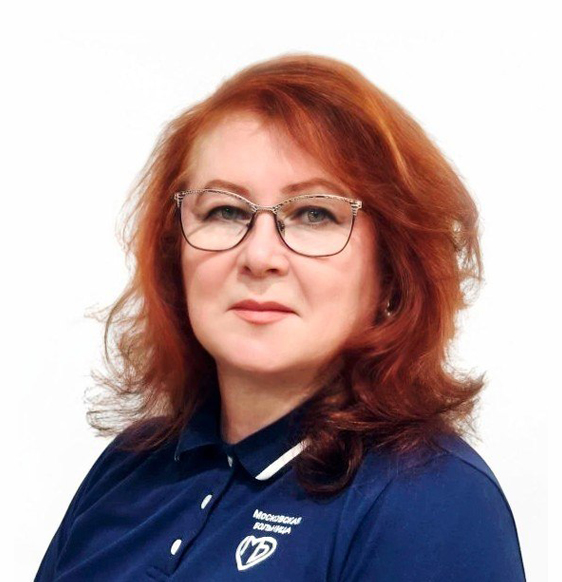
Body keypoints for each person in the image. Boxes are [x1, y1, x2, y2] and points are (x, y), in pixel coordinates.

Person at [35, 53, 527, 581]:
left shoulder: (431, 501)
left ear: (392, 268)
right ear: (174, 252)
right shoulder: (127, 467)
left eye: (314, 213)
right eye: (225, 210)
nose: (259, 256)